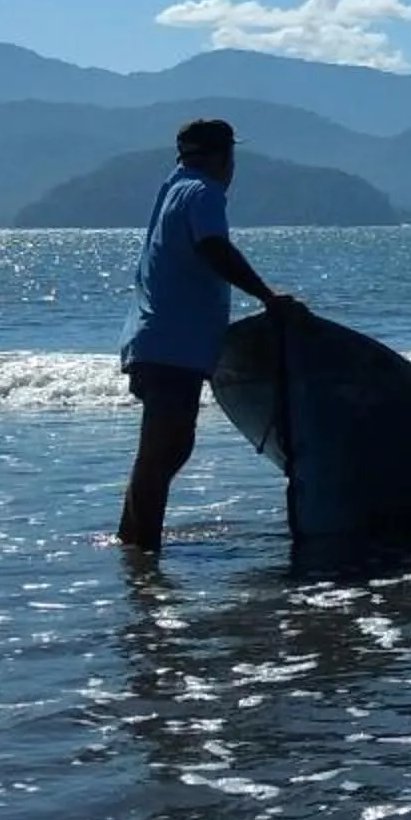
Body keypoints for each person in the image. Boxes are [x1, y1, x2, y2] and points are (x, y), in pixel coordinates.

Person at [116, 117, 291, 548]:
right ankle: (140, 553)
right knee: (164, 451)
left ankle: (134, 544)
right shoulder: (203, 192)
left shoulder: (175, 189)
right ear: (223, 157)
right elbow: (213, 247)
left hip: (156, 341)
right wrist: (268, 296)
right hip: (173, 346)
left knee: (166, 450)